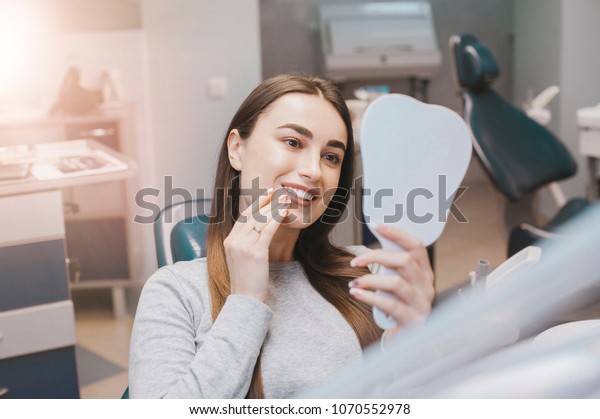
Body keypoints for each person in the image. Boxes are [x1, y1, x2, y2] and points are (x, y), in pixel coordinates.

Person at [129, 74, 435, 399]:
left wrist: (415, 342)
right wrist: (246, 299)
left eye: (331, 157)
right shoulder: (175, 292)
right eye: (293, 142)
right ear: (237, 149)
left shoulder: (366, 273)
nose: (314, 171)